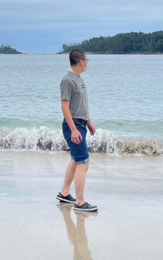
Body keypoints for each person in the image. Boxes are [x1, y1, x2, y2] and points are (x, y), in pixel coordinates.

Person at [56, 50, 98, 212]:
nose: (87, 62)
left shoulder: (78, 78)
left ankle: (64, 193)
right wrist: (74, 129)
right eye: (86, 59)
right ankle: (80, 202)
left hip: (81, 124)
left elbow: (80, 104)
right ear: (80, 61)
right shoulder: (67, 80)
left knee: (76, 160)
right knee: (84, 163)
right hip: (73, 126)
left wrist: (89, 121)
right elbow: (64, 106)